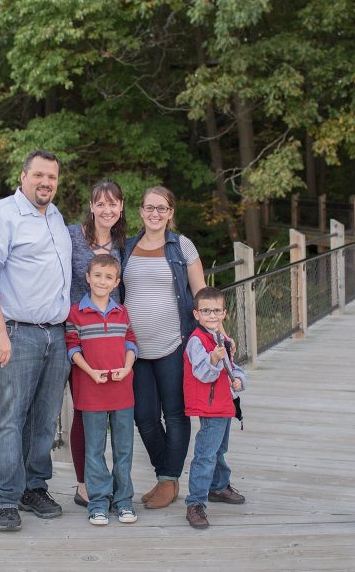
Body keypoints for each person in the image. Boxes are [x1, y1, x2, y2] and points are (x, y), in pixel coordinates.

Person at [0, 149, 73, 533]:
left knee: (45, 419)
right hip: (13, 332)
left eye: (53, 177)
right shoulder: (1, 215)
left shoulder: (56, 216)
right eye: (40, 175)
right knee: (9, 418)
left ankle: (34, 487)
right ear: (23, 175)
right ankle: (6, 499)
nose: (47, 182)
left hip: (55, 334)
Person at [121, 186, 206, 509]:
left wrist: (219, 335)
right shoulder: (126, 247)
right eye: (148, 208)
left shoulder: (181, 246)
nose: (154, 214)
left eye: (161, 208)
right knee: (143, 416)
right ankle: (166, 474)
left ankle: (168, 479)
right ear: (140, 211)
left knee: (175, 413)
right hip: (134, 349)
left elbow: (201, 295)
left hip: (174, 343)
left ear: (170, 212)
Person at [65, 254, 139, 526]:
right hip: (90, 390)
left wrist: (128, 366)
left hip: (122, 391)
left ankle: (123, 501)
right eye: (97, 275)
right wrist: (90, 372)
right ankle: (97, 502)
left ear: (117, 282)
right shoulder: (75, 313)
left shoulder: (123, 312)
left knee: (124, 449)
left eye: (108, 277)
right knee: (94, 449)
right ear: (87, 277)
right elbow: (72, 347)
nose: (102, 281)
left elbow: (131, 342)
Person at [67, 180, 127, 509]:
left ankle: (118, 484)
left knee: (115, 413)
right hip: (77, 333)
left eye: (113, 204)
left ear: (121, 208)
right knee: (82, 410)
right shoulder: (71, 237)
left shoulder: (123, 244)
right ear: (91, 206)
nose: (107, 210)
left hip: (112, 337)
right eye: (101, 204)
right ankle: (84, 483)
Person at [183, 286, 247, 530]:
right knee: (206, 454)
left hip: (225, 402)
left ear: (224, 313)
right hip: (210, 405)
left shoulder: (223, 339)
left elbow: (233, 366)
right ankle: (195, 503)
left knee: (220, 448)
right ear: (197, 314)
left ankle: (218, 486)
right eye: (206, 311)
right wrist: (213, 359)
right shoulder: (197, 341)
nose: (211, 315)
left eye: (216, 311)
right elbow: (202, 373)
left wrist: (239, 380)